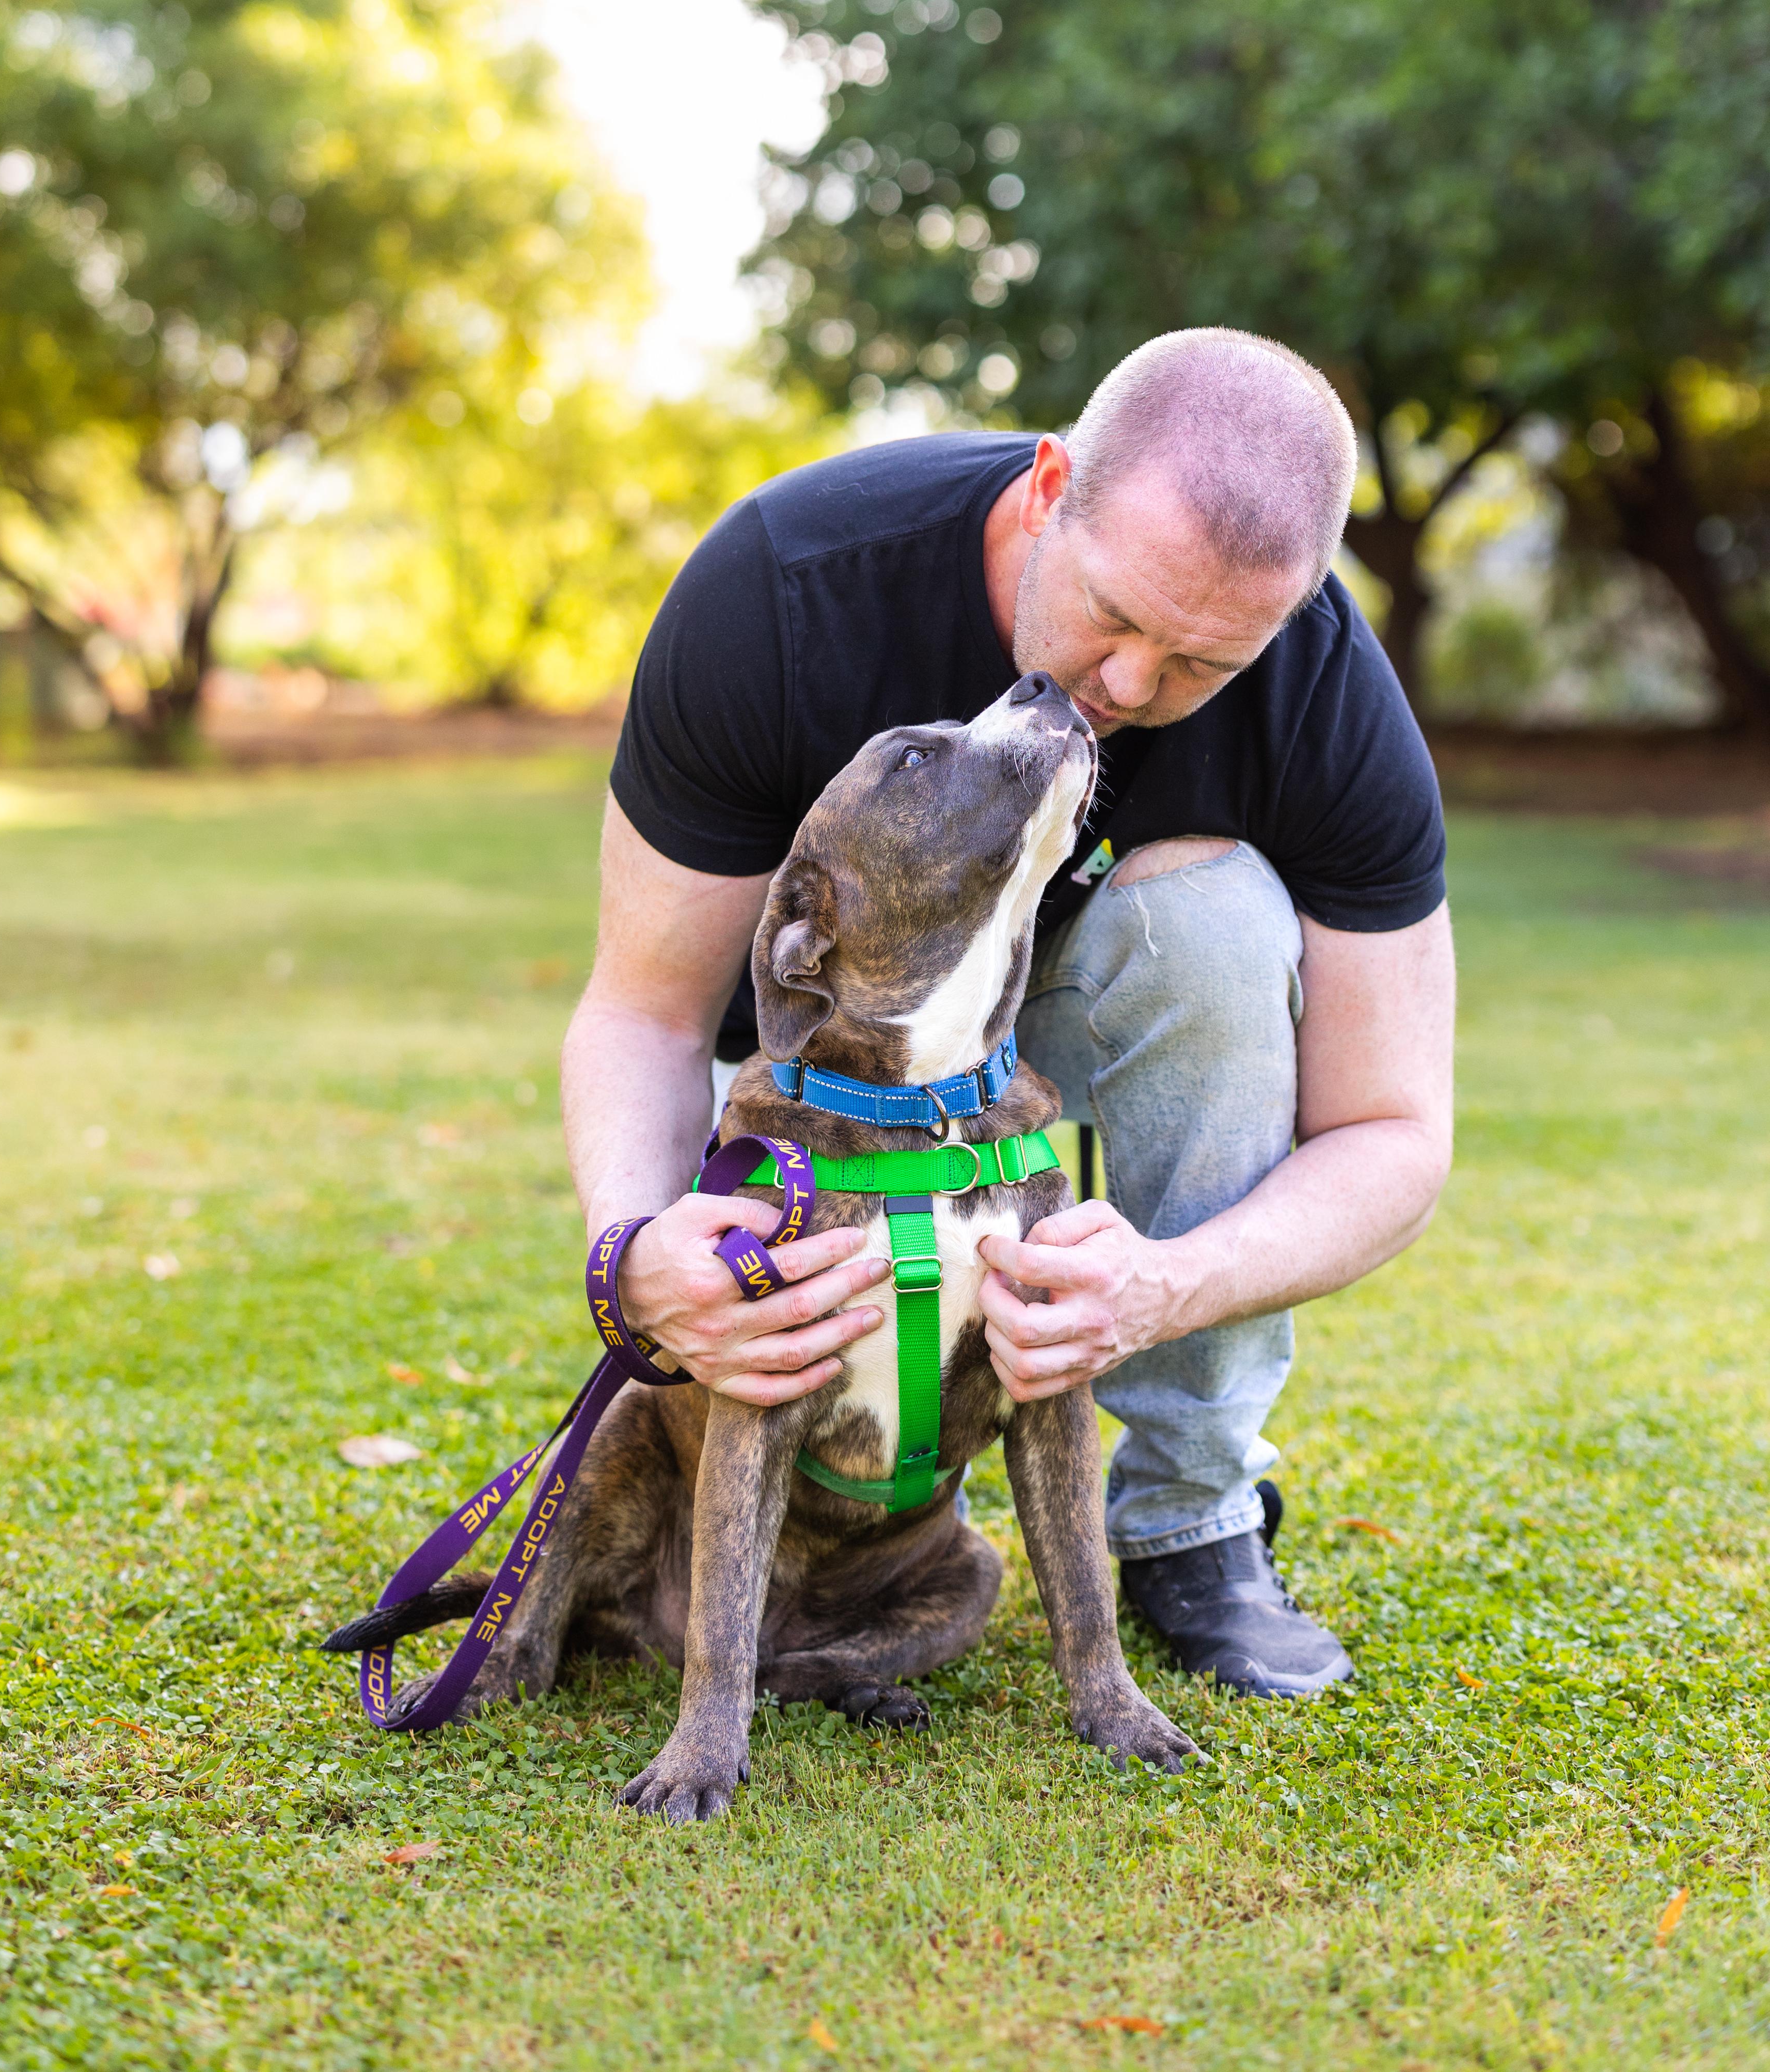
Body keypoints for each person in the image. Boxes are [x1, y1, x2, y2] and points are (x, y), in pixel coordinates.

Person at [562, 328, 1453, 1697]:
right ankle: (802, 1484)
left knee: (1215, 926)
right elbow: (644, 1014)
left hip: (1086, 1017)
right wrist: (633, 1256)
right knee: (734, 1315)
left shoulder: (1325, 684)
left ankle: (1192, 1524)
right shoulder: (783, 592)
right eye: (1115, 617)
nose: (1136, 689)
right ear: (1049, 487)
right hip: (831, 1071)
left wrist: (1164, 1286)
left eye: (1206, 662)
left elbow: (1398, 1131)